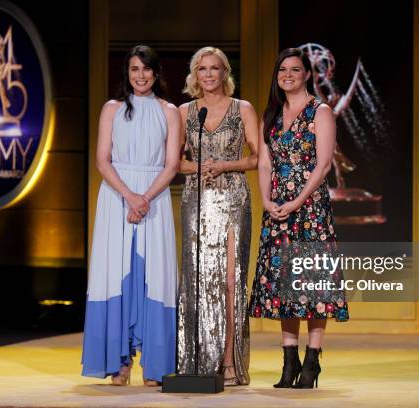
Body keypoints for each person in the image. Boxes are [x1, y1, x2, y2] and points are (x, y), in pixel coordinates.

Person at [248, 48, 349, 389]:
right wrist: (267, 199)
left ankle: (312, 361)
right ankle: (289, 361)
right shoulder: (272, 115)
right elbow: (264, 162)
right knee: (283, 286)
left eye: (295, 69)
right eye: (282, 70)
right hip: (277, 210)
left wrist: (295, 202)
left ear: (307, 74)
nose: (287, 75)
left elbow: (322, 166)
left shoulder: (320, 112)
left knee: (312, 285)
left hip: (309, 211)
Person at [81, 45, 181, 386]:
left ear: (156, 73)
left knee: (153, 275)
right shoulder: (111, 109)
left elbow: (171, 165)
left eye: (146, 69)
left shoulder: (169, 111)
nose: (140, 76)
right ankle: (118, 362)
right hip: (116, 198)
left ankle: (154, 362)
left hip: (155, 198)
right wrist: (130, 197)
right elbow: (102, 160)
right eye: (134, 69)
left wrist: (145, 199)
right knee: (116, 272)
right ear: (127, 72)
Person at [177, 46, 259, 386]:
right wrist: (198, 168)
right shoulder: (184, 112)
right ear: (195, 75)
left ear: (225, 73)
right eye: (202, 69)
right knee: (196, 282)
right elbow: (175, 162)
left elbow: (256, 157)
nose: (208, 74)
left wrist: (224, 164)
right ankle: (197, 360)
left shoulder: (243, 109)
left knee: (229, 282)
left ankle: (229, 361)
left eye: (214, 68)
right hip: (196, 199)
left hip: (232, 198)